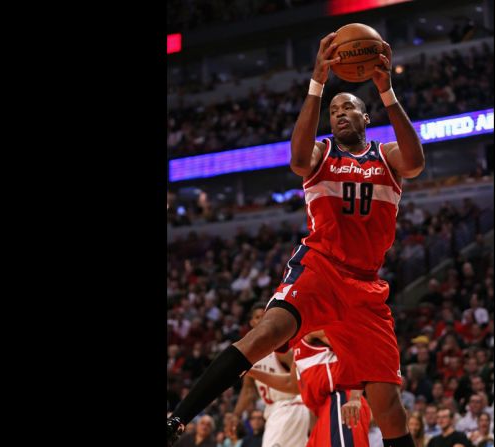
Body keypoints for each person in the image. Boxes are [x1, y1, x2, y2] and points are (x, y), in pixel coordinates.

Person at [168, 30, 425, 447]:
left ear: (366, 118)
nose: (340, 113)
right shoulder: (322, 153)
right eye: (335, 110)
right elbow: (296, 159)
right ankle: (176, 420)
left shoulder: (387, 155)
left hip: (365, 286)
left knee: (389, 405)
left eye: (349, 108)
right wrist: (317, 84)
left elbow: (415, 163)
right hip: (320, 267)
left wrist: (386, 89)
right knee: (266, 333)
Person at [246, 330, 371, 447]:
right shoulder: (298, 344)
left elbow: (356, 350)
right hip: (321, 411)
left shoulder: (314, 330)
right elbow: (292, 384)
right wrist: (251, 372)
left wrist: (355, 397)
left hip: (341, 401)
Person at [232, 305, 310, 447]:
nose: (262, 320)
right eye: (257, 317)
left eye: (265, 316)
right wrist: (236, 415)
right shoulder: (251, 352)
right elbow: (248, 390)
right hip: (274, 411)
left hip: (290, 406)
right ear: (251, 322)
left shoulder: (281, 349)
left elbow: (303, 378)